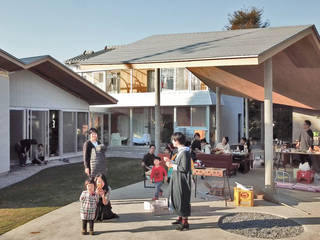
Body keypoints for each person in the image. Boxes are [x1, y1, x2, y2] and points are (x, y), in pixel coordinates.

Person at [165, 132, 192, 231]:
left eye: (173, 140)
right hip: (177, 178)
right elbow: (178, 164)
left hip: (182, 180)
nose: (172, 142)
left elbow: (184, 168)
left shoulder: (185, 152)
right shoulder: (180, 151)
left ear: (176, 141)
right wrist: (170, 161)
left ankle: (185, 223)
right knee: (176, 197)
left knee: (182, 199)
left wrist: (171, 165)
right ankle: (180, 218)